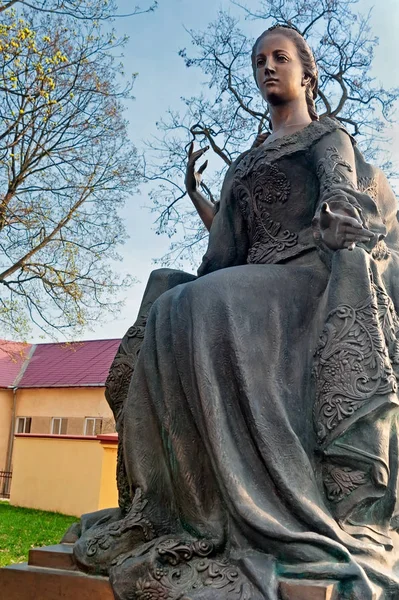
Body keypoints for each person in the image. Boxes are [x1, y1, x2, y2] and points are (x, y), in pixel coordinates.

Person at [73, 25, 399, 600]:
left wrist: (336, 221)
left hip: (307, 283)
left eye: (280, 58)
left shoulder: (328, 137)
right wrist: (205, 200)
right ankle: (185, 508)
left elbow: (341, 194)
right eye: (258, 62)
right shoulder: (243, 165)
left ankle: (271, 508)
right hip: (251, 285)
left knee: (202, 302)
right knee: (171, 298)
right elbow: (223, 255)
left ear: (307, 72)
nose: (268, 68)